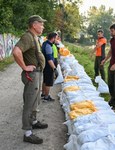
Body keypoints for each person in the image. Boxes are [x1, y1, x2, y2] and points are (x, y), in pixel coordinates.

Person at [12, 15, 48, 144]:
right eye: (41, 24)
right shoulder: (27, 36)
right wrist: (24, 67)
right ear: (34, 25)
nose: (43, 26)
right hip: (32, 75)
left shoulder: (34, 37)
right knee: (29, 103)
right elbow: (16, 51)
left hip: (37, 74)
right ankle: (27, 133)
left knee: (35, 101)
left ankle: (33, 121)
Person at [41, 32, 58, 102]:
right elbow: (49, 59)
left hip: (45, 65)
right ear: (53, 38)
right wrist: (54, 68)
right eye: (56, 38)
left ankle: (43, 93)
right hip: (48, 66)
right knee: (48, 81)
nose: (56, 40)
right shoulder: (48, 46)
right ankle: (46, 97)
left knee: (45, 80)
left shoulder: (45, 43)